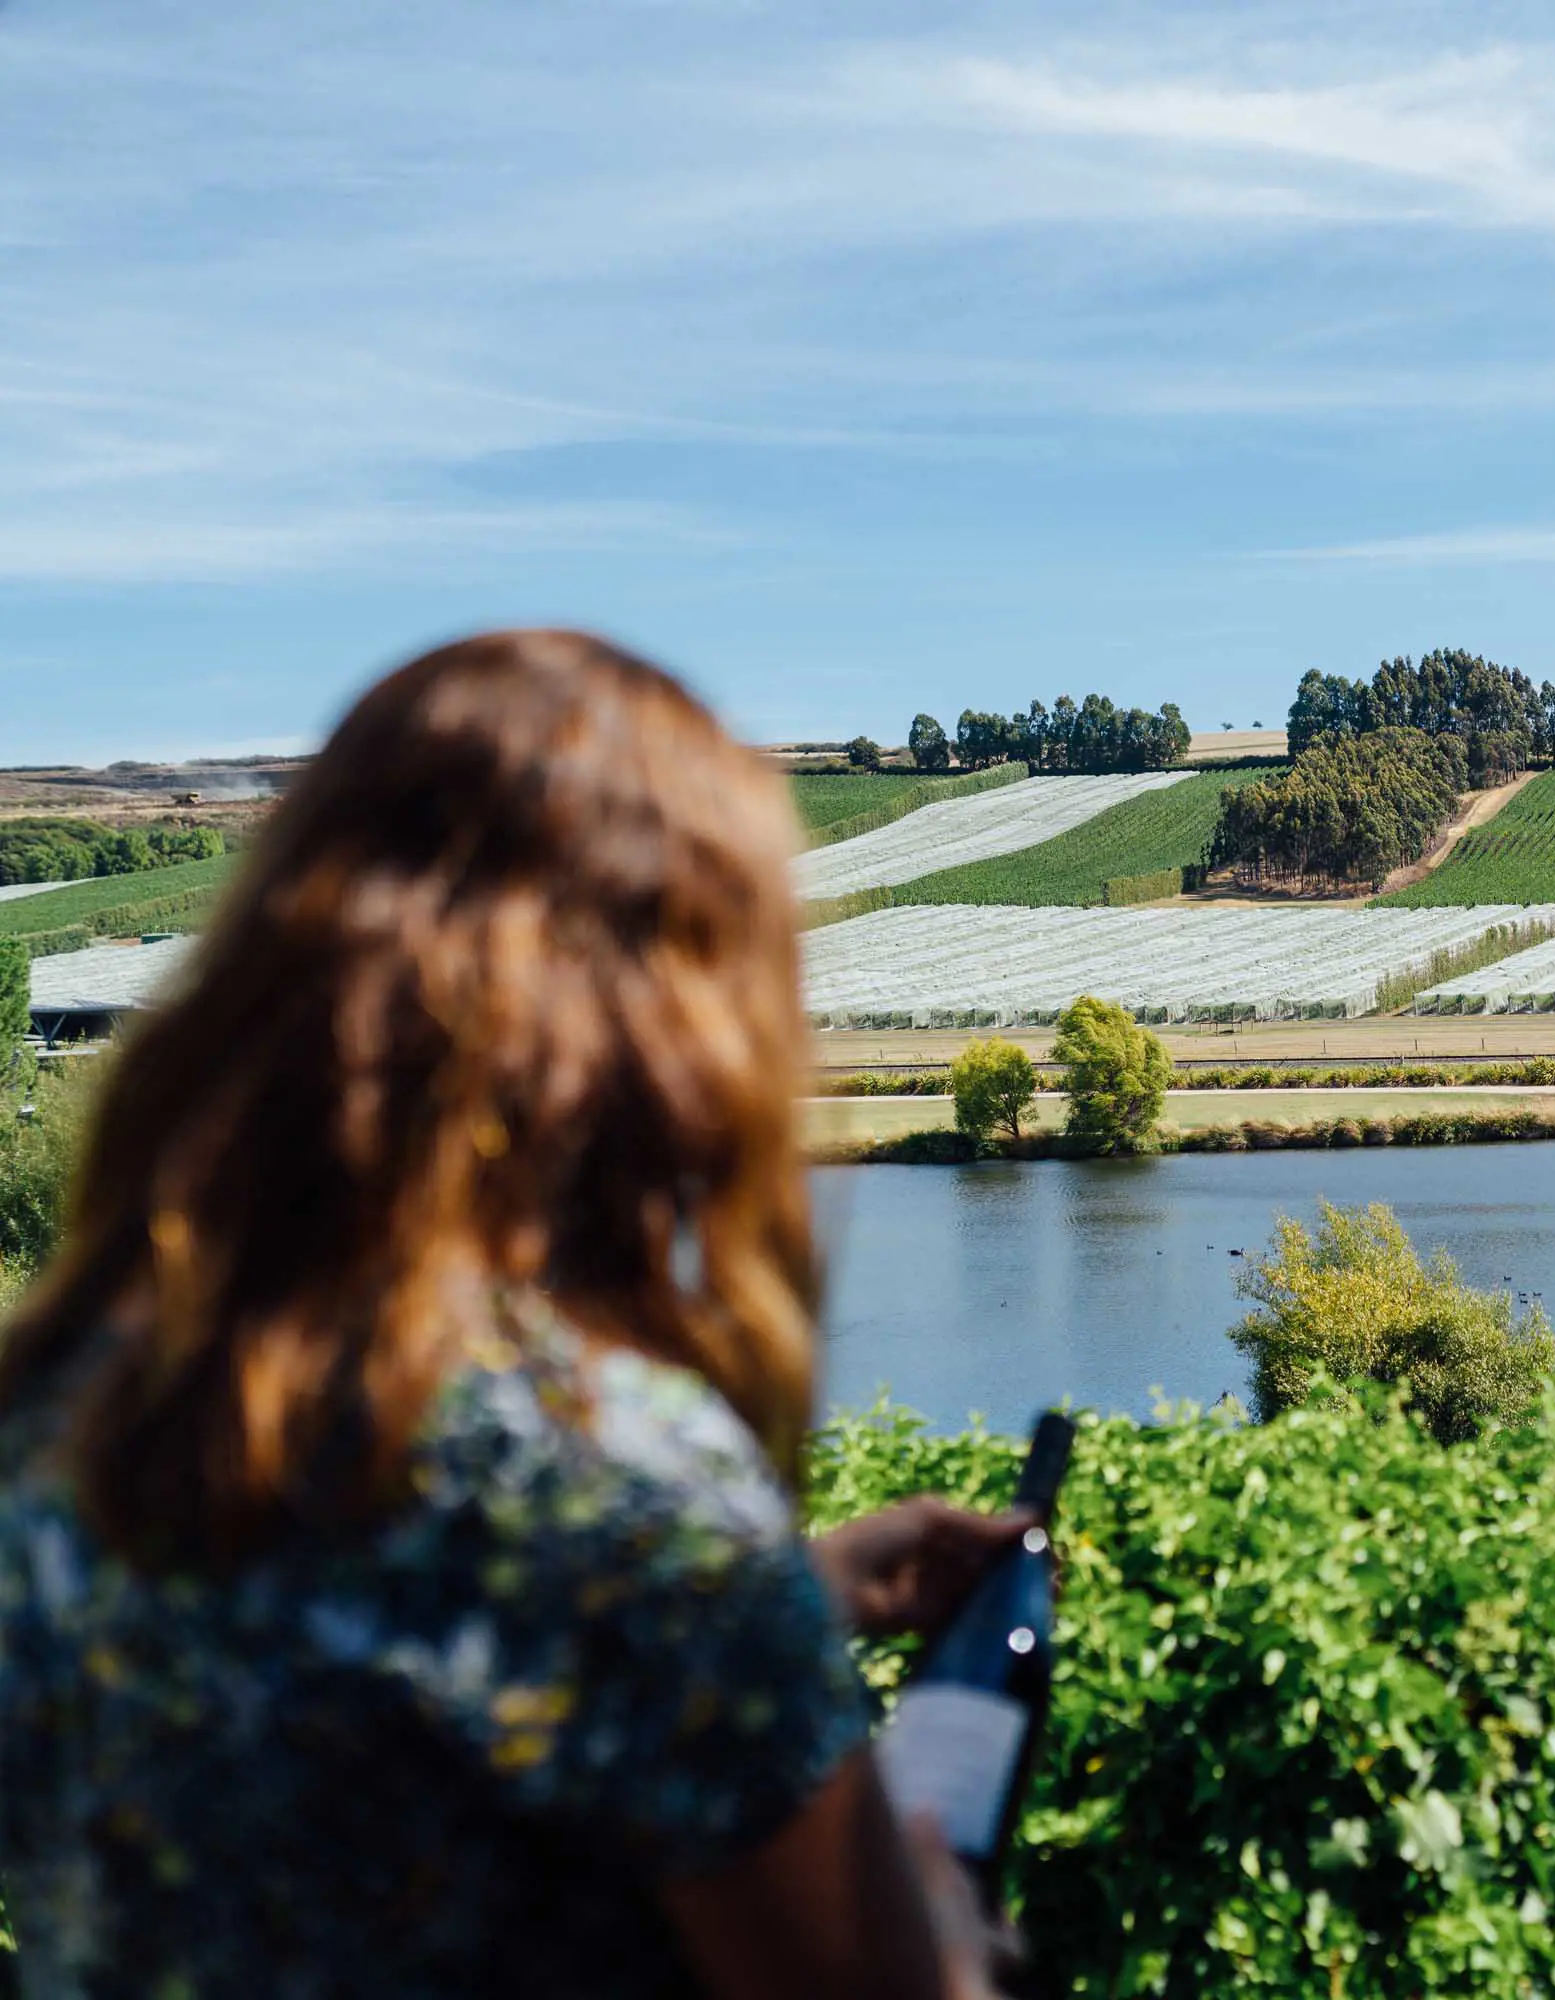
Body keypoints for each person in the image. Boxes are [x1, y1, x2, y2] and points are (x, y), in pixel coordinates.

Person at [0, 632, 1029, 1998]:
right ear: (672, 1027)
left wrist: (790, 1599)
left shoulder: (67, 1405)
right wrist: (951, 1939)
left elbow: (340, 1697)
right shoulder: (613, 1489)